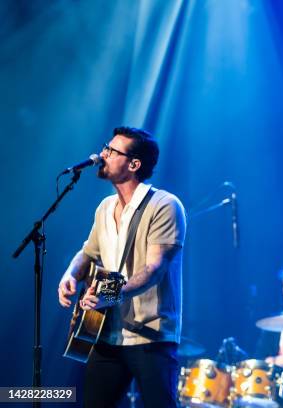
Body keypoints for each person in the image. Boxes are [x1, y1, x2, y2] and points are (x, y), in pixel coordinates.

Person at [58, 126, 187, 407]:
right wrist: (70, 275)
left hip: (150, 337)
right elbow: (88, 252)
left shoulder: (164, 205)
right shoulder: (105, 207)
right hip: (106, 332)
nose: (101, 154)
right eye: (106, 147)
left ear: (134, 164)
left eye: (111, 151)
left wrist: (110, 294)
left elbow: (154, 269)